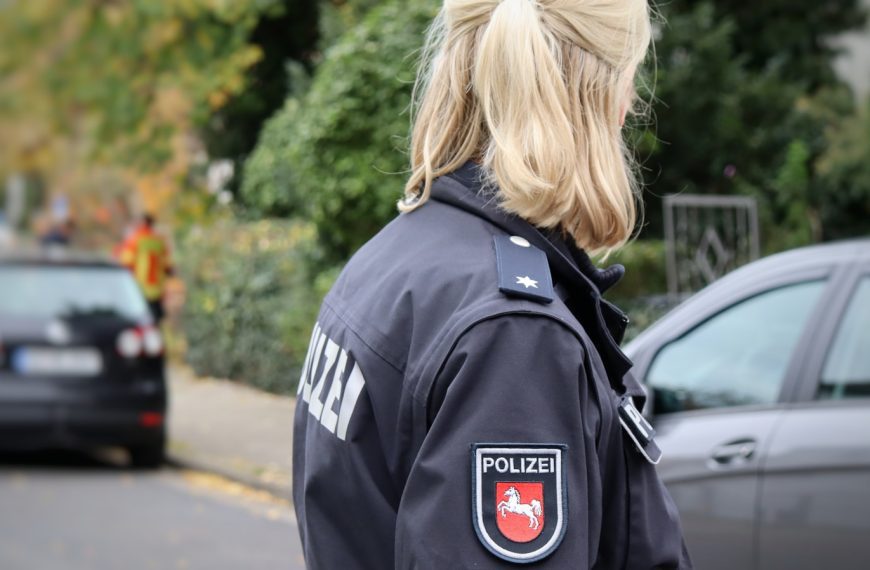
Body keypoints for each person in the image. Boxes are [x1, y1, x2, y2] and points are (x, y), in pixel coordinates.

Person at [292, 0, 692, 568]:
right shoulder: (514, 333)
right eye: (632, 76)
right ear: (603, 93)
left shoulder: (396, 255)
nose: (632, 107)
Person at [118, 214, 173, 322]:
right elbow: (168, 266)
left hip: (140, 287)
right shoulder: (159, 241)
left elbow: (125, 263)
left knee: (143, 320)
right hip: (157, 287)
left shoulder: (135, 240)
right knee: (157, 320)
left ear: (141, 223)